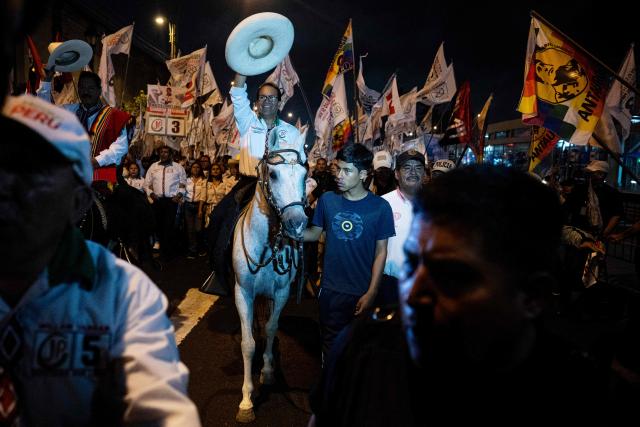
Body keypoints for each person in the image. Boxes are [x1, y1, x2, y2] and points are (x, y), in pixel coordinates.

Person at [309, 165, 608, 426]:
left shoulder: (579, 394)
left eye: (452, 277)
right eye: (414, 264)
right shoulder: (363, 349)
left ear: (532, 296)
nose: (414, 293)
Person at [0, 94, 200, 426]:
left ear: (77, 202)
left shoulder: (125, 295)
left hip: (103, 174)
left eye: (32, 178)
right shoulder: (75, 106)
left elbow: (163, 413)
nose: (7, 189)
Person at [204, 72, 301, 295]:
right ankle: (219, 271)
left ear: (279, 102)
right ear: (257, 103)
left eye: (272, 98)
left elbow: (298, 165)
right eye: (263, 98)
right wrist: (244, 64)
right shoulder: (248, 122)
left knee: (299, 223)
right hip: (249, 184)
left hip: (280, 187)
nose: (267, 102)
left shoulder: (291, 132)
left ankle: (299, 274)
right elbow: (237, 92)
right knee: (217, 218)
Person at [304, 143, 395, 357]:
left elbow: (381, 252)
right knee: (330, 346)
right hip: (330, 290)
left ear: (363, 174)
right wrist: (287, 230)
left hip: (362, 292)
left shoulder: (381, 207)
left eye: (347, 171)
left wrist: (372, 291)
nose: (339, 175)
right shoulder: (327, 200)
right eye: (338, 169)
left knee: (360, 350)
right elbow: (314, 234)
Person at [37, 70, 130, 184]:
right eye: (82, 88)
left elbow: (121, 147)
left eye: (90, 88)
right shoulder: (68, 110)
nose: (86, 92)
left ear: (99, 90)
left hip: (100, 179)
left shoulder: (114, 116)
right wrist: (46, 82)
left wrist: (96, 161)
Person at [378, 149, 426, 306]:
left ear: (424, 173)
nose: (413, 172)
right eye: (407, 167)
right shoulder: (382, 204)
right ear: (397, 174)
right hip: (390, 284)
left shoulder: (438, 203)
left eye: (418, 168)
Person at [144, 145, 187, 260]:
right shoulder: (153, 167)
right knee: (158, 225)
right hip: (157, 201)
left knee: (169, 226)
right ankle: (162, 249)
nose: (164, 154)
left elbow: (183, 183)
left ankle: (169, 252)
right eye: (162, 152)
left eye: (166, 152)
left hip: (171, 201)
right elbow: (146, 184)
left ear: (170, 154)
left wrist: (178, 196)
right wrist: (151, 194)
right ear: (159, 153)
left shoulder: (178, 167)